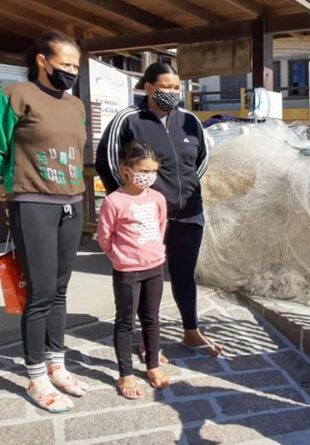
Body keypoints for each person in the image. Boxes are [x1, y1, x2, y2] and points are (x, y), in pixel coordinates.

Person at [95, 62, 219, 357]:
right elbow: (108, 161)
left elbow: (201, 161)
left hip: (188, 212)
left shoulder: (189, 121)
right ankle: (149, 341)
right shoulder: (128, 119)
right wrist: (131, 201)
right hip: (143, 218)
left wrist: (183, 190)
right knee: (146, 276)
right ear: (149, 88)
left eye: (176, 87)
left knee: (184, 274)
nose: (172, 92)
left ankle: (191, 331)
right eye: (166, 86)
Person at [0, 33, 89, 413]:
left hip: (72, 202)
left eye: (75, 66)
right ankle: (35, 375)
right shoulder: (16, 95)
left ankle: (57, 364)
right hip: (32, 201)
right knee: (39, 293)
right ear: (42, 60)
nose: (71, 71)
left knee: (60, 289)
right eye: (65, 64)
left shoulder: (76, 105)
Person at [97, 141, 171, 399]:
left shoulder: (158, 198)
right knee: (125, 321)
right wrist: (119, 257)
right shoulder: (114, 201)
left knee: (151, 318)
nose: (148, 176)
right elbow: (105, 236)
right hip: (127, 271)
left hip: (154, 267)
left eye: (153, 171)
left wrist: (154, 253)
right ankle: (125, 373)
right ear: (126, 169)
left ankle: (153, 365)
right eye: (143, 170)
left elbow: (161, 226)